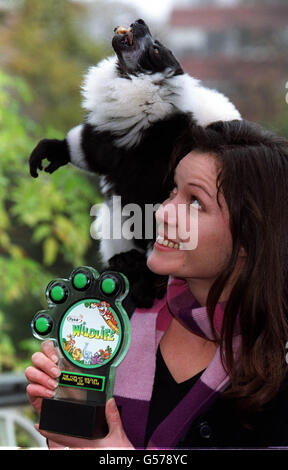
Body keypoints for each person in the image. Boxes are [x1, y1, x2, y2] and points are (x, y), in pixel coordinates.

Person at [25, 119, 288, 449]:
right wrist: (73, 415)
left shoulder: (280, 363)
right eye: (172, 191)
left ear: (251, 238)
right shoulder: (123, 313)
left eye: (195, 202)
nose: (162, 212)